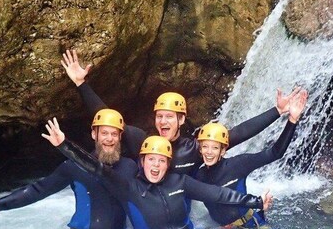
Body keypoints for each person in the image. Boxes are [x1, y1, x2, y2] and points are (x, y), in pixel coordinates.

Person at [42, 120, 273, 229]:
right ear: (141, 162)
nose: (156, 164)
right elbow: (96, 168)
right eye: (151, 159)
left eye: (161, 160)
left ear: (167, 164)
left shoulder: (180, 182)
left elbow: (218, 193)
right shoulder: (129, 187)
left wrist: (255, 201)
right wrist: (65, 146)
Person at [60, 49, 300, 176]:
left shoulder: (194, 149)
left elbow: (237, 134)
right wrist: (82, 85)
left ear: (181, 119)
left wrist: (277, 111)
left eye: (169, 116)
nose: (163, 121)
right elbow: (107, 119)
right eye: (160, 116)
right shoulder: (141, 141)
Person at [0, 109, 136, 229]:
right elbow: (37, 190)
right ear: (94, 134)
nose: (109, 139)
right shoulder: (73, 167)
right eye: (104, 133)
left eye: (114, 134)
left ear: (120, 136)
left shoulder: (130, 167)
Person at [196, 88, 308, 229]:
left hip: (252, 224)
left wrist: (292, 120)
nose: (209, 152)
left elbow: (275, 153)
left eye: (215, 148)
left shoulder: (238, 164)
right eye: (205, 147)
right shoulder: (198, 176)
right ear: (200, 149)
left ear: (223, 150)